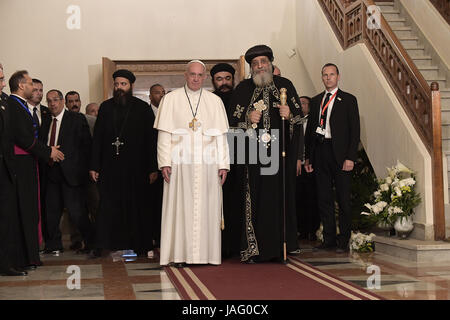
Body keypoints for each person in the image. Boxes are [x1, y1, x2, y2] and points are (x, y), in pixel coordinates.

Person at [228, 45, 304, 263]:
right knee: (255, 201)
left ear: (270, 63)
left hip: (280, 156)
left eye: (263, 62)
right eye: (255, 64)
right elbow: (232, 126)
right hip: (252, 155)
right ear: (251, 68)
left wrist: (289, 115)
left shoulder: (285, 86)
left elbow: (299, 120)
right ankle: (253, 248)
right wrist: (247, 120)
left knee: (280, 198)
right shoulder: (242, 89)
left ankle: (283, 245)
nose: (260, 66)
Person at [154, 60, 230, 267]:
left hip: (208, 165)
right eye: (192, 74)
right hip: (180, 165)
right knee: (180, 211)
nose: (196, 78)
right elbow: (164, 135)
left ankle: (207, 256)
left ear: (205, 77)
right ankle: (179, 255)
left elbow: (221, 137)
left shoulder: (214, 101)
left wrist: (224, 164)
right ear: (185, 76)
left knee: (207, 210)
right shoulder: (170, 99)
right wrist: (164, 163)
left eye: (200, 75)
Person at [90, 69, 158, 257]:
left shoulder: (142, 109)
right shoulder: (105, 107)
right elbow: (98, 139)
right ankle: (109, 243)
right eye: (117, 84)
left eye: (123, 84)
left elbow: (151, 141)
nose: (119, 88)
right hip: (110, 167)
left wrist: (153, 168)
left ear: (131, 86)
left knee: (137, 206)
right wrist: (94, 165)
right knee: (110, 206)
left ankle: (139, 243)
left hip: (136, 168)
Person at [6, 70, 64, 268]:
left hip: (29, 163)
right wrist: (48, 151)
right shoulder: (14, 105)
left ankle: (30, 256)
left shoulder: (19, 105)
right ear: (22, 86)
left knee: (31, 210)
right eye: (31, 83)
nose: (33, 87)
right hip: (21, 165)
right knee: (26, 210)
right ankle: (27, 257)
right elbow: (23, 137)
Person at [304, 63, 360, 253]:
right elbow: (310, 132)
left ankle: (343, 240)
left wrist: (351, 157)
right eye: (325, 75)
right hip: (320, 152)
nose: (328, 78)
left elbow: (355, 131)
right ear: (322, 78)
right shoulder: (315, 101)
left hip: (341, 154)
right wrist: (308, 158)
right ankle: (328, 239)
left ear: (338, 76)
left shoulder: (349, 100)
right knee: (324, 198)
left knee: (343, 199)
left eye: (331, 74)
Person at [40, 90, 94, 254]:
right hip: (51, 173)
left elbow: (86, 147)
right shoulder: (45, 120)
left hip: (72, 174)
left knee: (77, 213)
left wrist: (85, 171)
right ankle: (53, 245)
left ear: (63, 101)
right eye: (49, 101)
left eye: (55, 100)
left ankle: (91, 243)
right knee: (51, 212)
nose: (52, 104)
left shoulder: (76, 119)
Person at [211, 62, 244, 259]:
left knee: (236, 201)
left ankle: (236, 245)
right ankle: (216, 246)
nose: (224, 83)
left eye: (227, 78)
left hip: (238, 157)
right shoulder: (208, 100)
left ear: (233, 79)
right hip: (212, 158)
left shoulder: (241, 99)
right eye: (219, 79)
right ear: (213, 81)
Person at [0, 69, 28, 276]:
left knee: (7, 218)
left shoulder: (4, 101)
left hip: (6, 167)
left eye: (2, 78)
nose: (2, 83)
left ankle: (7, 262)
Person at [296, 96, 320, 241]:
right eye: (299, 103)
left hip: (311, 165)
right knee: (299, 198)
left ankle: (313, 229)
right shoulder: (296, 121)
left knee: (312, 198)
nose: (301, 105)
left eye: (303, 103)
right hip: (298, 165)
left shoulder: (314, 121)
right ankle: (301, 230)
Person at [148, 83, 166, 255]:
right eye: (157, 93)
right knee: (152, 204)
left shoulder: (169, 111)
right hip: (152, 167)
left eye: (163, 92)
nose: (161, 95)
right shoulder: (145, 113)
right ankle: (152, 237)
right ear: (150, 96)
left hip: (168, 167)